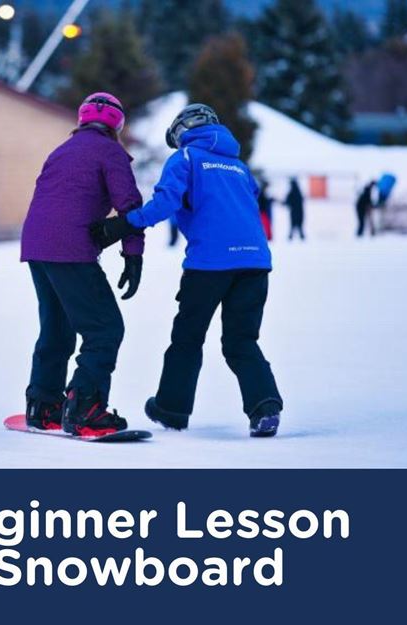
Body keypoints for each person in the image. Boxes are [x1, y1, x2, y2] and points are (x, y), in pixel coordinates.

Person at [90, 104, 283, 438]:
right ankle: (265, 407)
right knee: (242, 340)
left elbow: (165, 204)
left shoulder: (187, 159)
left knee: (187, 338)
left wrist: (125, 224)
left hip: (209, 265)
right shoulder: (239, 167)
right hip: (255, 262)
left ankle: (171, 408)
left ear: (182, 130)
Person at [20, 92, 144, 438]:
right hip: (70, 248)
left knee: (57, 326)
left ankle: (43, 405)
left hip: (36, 245)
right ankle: (85, 407)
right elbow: (130, 207)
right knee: (104, 329)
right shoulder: (111, 151)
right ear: (117, 124)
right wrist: (133, 254)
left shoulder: (60, 151)